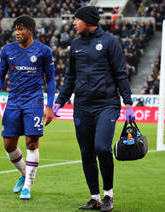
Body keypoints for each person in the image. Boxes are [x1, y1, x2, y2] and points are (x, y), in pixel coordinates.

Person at [53, 6, 135, 211]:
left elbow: (120, 74)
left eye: (77, 19)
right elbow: (70, 78)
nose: (73, 23)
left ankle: (108, 195)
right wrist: (59, 101)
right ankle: (95, 198)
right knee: (86, 152)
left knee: (102, 148)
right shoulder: (75, 45)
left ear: (88, 21)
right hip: (81, 106)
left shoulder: (110, 42)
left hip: (106, 104)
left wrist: (128, 103)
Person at [0, 15, 55, 200]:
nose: (17, 32)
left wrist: (50, 106)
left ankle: (27, 187)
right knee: (9, 145)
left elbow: (51, 80)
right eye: (15, 29)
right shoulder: (8, 50)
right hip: (14, 101)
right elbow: (0, 76)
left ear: (30, 31)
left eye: (21, 29)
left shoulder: (44, 51)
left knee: (31, 143)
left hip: (34, 101)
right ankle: (25, 173)